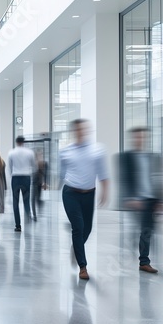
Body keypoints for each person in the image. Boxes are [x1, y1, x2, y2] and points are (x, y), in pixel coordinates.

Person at [59, 119, 109, 281]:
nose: (81, 132)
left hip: (89, 194)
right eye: (78, 130)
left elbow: (103, 173)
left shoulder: (97, 150)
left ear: (87, 131)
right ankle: (83, 267)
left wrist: (105, 191)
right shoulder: (66, 151)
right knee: (78, 227)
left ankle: (76, 248)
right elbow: (61, 173)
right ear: (74, 132)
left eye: (84, 129)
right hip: (70, 193)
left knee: (87, 229)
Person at [119, 127, 163, 273]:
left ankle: (143, 257)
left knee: (148, 230)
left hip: (152, 199)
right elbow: (124, 178)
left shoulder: (153, 157)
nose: (140, 140)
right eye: (137, 137)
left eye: (143, 137)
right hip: (138, 200)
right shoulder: (126, 157)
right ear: (133, 139)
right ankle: (144, 261)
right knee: (145, 229)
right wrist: (129, 197)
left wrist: (161, 200)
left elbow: (159, 179)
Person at [7, 136, 37, 232]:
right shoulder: (30, 152)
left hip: (15, 178)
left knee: (15, 203)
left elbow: (9, 167)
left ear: (16, 142)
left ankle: (18, 225)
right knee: (26, 201)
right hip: (26, 178)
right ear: (24, 142)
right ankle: (27, 221)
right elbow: (34, 167)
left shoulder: (11, 152)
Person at [32, 152, 48, 218]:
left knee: (37, 198)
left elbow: (45, 174)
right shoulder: (35, 163)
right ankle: (34, 214)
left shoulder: (44, 164)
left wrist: (45, 183)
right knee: (33, 199)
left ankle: (39, 205)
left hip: (39, 183)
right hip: (34, 183)